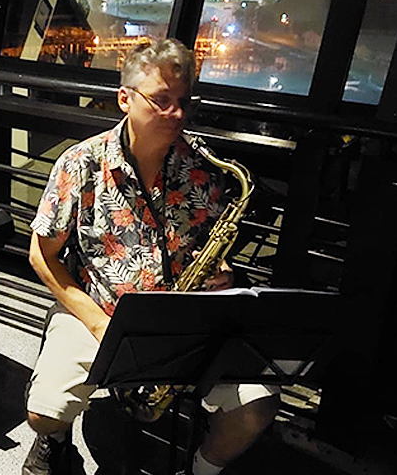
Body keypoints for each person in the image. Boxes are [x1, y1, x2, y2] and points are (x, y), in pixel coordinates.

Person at [23, 38, 279, 475]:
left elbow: (212, 250)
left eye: (182, 103)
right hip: (100, 312)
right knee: (43, 412)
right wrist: (95, 319)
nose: (176, 115)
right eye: (161, 101)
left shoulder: (205, 172)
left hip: (184, 322)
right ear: (125, 99)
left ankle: (200, 469)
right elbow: (41, 255)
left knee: (257, 406)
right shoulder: (79, 163)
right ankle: (55, 441)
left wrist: (222, 274)